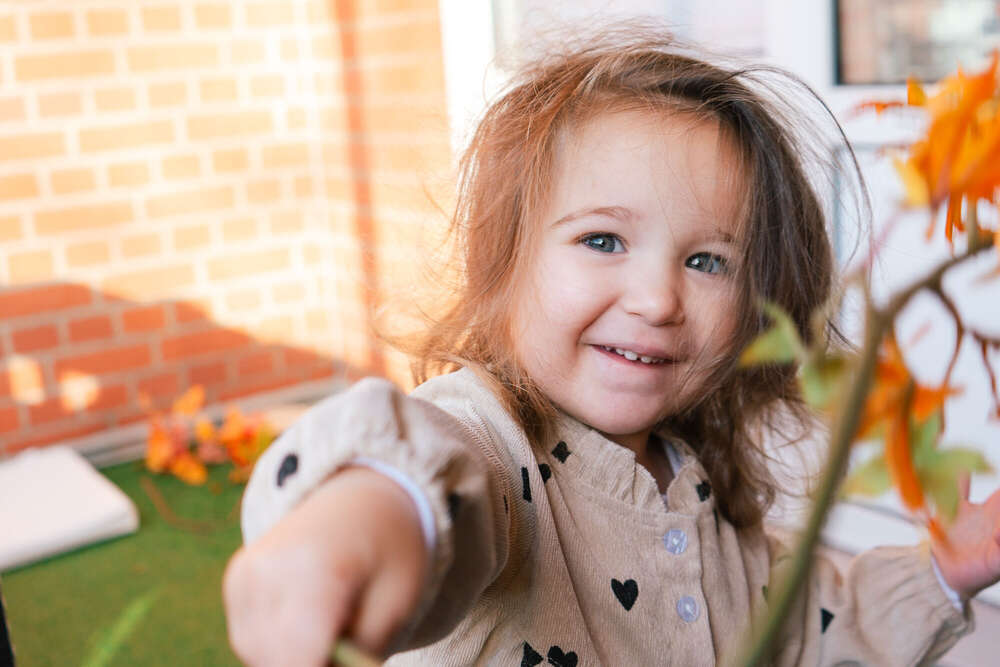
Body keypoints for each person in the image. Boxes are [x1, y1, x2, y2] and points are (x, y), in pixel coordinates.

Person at [222, 27, 1000, 666]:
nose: (659, 299)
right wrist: (365, 519)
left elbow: (804, 627)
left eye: (707, 261)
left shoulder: (700, 490)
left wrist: (943, 570)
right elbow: (434, 475)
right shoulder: (494, 444)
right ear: (504, 263)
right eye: (602, 239)